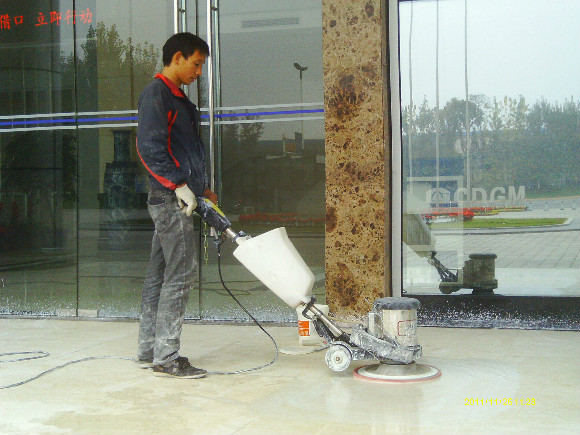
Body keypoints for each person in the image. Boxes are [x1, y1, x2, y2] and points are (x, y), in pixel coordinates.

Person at [135, 32, 216, 378]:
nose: (199, 72)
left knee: (159, 273)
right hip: (170, 200)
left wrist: (202, 189)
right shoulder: (157, 94)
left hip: (179, 197)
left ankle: (149, 348)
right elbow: (150, 147)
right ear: (178, 57)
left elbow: (187, 150)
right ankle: (167, 356)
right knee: (181, 274)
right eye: (196, 64)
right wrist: (179, 185)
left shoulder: (178, 100)